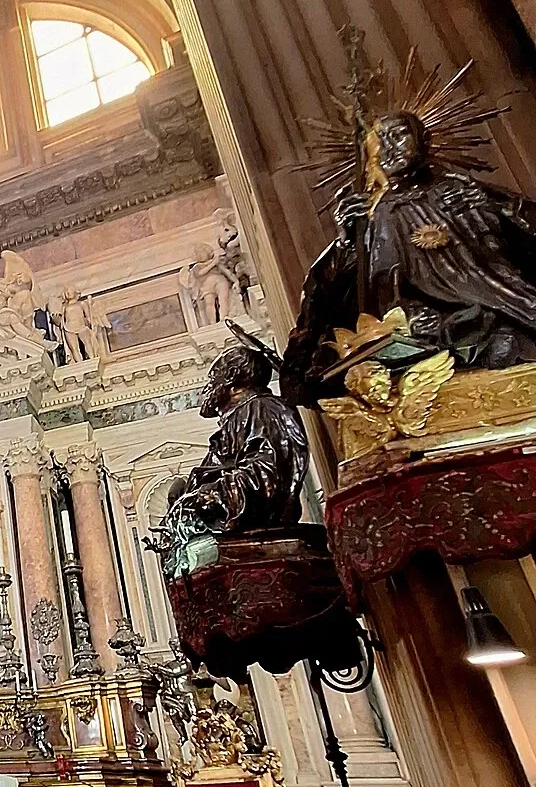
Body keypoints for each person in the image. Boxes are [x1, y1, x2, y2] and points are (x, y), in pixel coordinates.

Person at [284, 106, 536, 399]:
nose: (389, 147)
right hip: (413, 323)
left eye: (399, 135)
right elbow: (332, 294)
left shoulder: (457, 190)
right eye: (381, 140)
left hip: (497, 299)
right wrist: (347, 239)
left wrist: (492, 204)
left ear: (424, 139)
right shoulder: (370, 215)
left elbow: (521, 234)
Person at [154, 342, 309, 581]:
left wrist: (207, 496)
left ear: (232, 376)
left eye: (213, 378)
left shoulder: (263, 409)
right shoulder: (239, 416)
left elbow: (268, 476)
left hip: (262, 554)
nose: (207, 388)